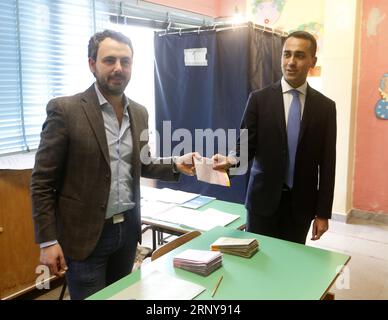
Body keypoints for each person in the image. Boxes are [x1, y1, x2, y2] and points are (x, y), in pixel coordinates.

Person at [30, 30, 197, 300]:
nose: (119, 68)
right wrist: (48, 241)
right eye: (109, 60)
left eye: (125, 61)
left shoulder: (140, 112)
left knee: (122, 297)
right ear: (92, 64)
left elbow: (142, 164)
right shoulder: (66, 110)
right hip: (86, 237)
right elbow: (41, 183)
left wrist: (176, 164)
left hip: (127, 232)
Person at [212, 31, 336, 244]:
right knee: (257, 262)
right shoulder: (259, 100)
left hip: (301, 207)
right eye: (286, 54)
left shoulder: (325, 107)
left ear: (312, 61)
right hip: (262, 203)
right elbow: (245, 146)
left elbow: (327, 164)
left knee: (291, 265)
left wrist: (323, 213)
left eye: (299, 55)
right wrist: (230, 162)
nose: (291, 62)